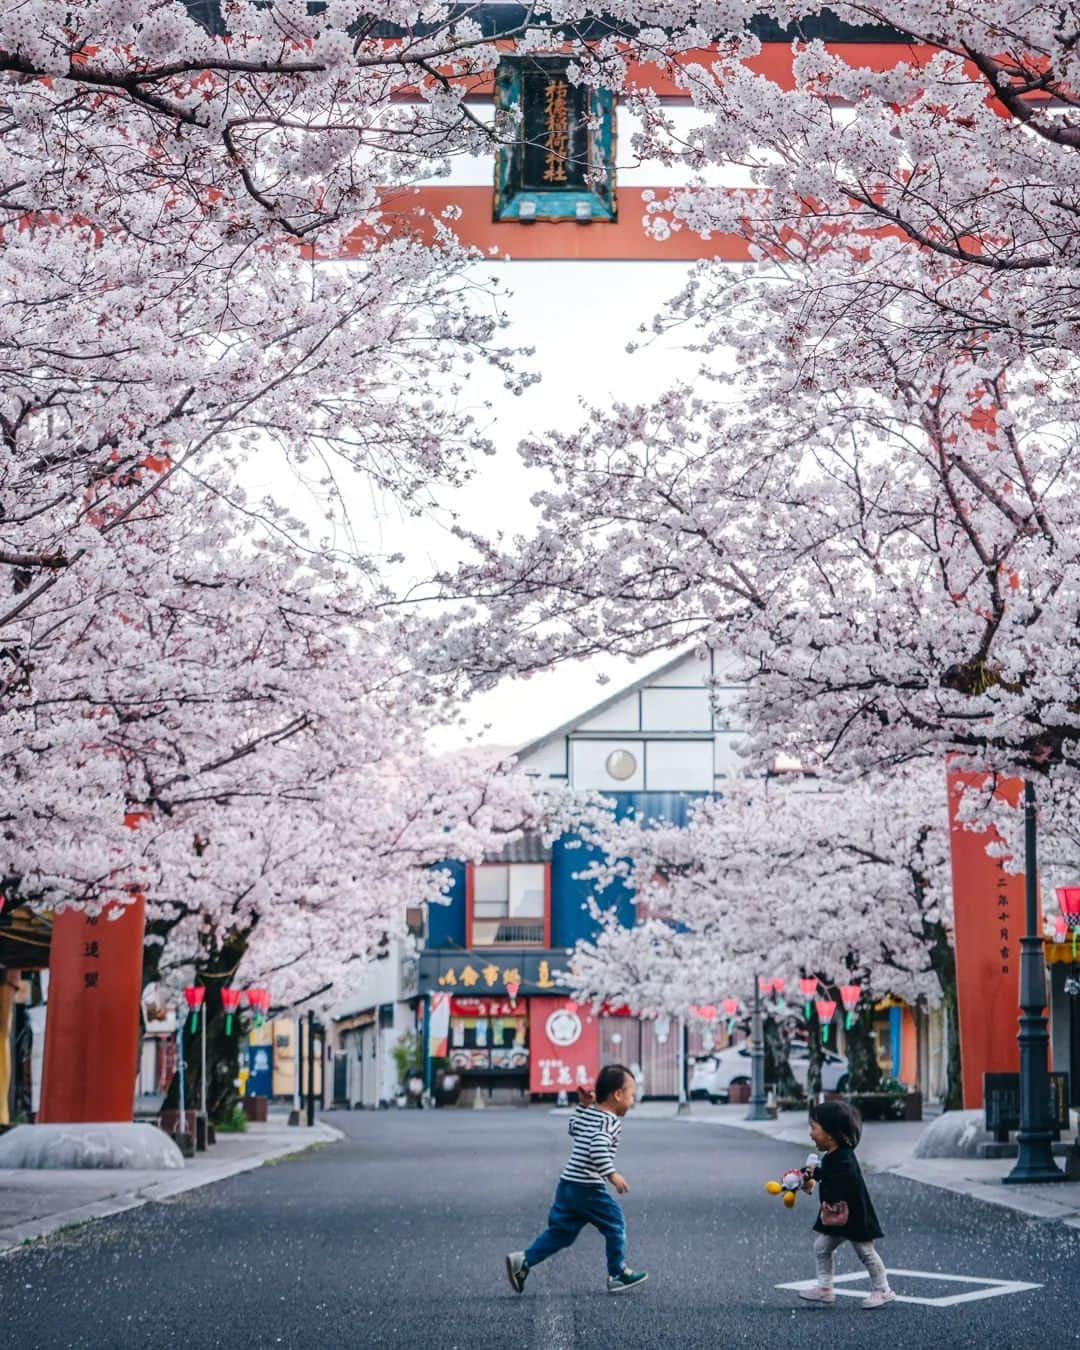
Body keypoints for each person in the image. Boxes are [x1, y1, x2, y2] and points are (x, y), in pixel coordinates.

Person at [506, 1064, 649, 1294]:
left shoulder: (591, 1112)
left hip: (567, 1185)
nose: (632, 1101)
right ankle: (617, 1272)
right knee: (615, 1223)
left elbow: (573, 1127)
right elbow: (598, 1147)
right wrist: (612, 1174)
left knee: (561, 1234)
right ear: (618, 1095)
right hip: (587, 1188)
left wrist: (582, 1106)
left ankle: (523, 1261)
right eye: (631, 1095)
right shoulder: (610, 1122)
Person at [798, 1098, 894, 1310]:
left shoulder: (844, 1158)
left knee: (866, 1253)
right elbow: (826, 1174)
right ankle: (825, 1289)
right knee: (821, 1247)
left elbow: (841, 1179)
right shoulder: (831, 1156)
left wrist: (816, 1176)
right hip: (837, 1216)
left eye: (814, 1128)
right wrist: (808, 1177)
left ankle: (883, 1289)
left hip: (855, 1216)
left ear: (830, 1134)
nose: (810, 1133)